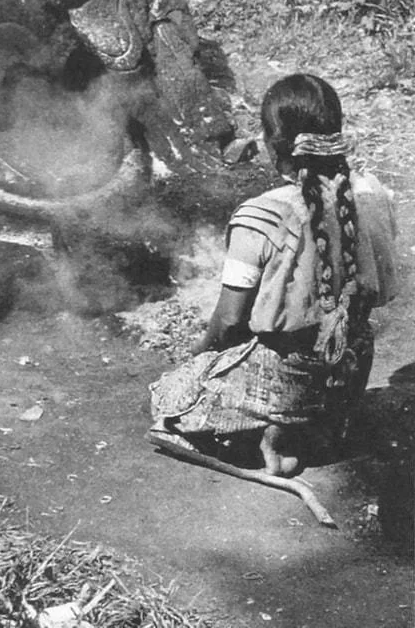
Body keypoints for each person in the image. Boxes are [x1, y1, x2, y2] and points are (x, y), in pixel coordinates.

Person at [149, 73, 398, 477]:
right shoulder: (374, 194)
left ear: (271, 144)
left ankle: (275, 432)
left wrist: (199, 358)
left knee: (171, 395)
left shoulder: (261, 216)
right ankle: (322, 426)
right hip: (351, 367)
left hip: (288, 376)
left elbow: (228, 322)